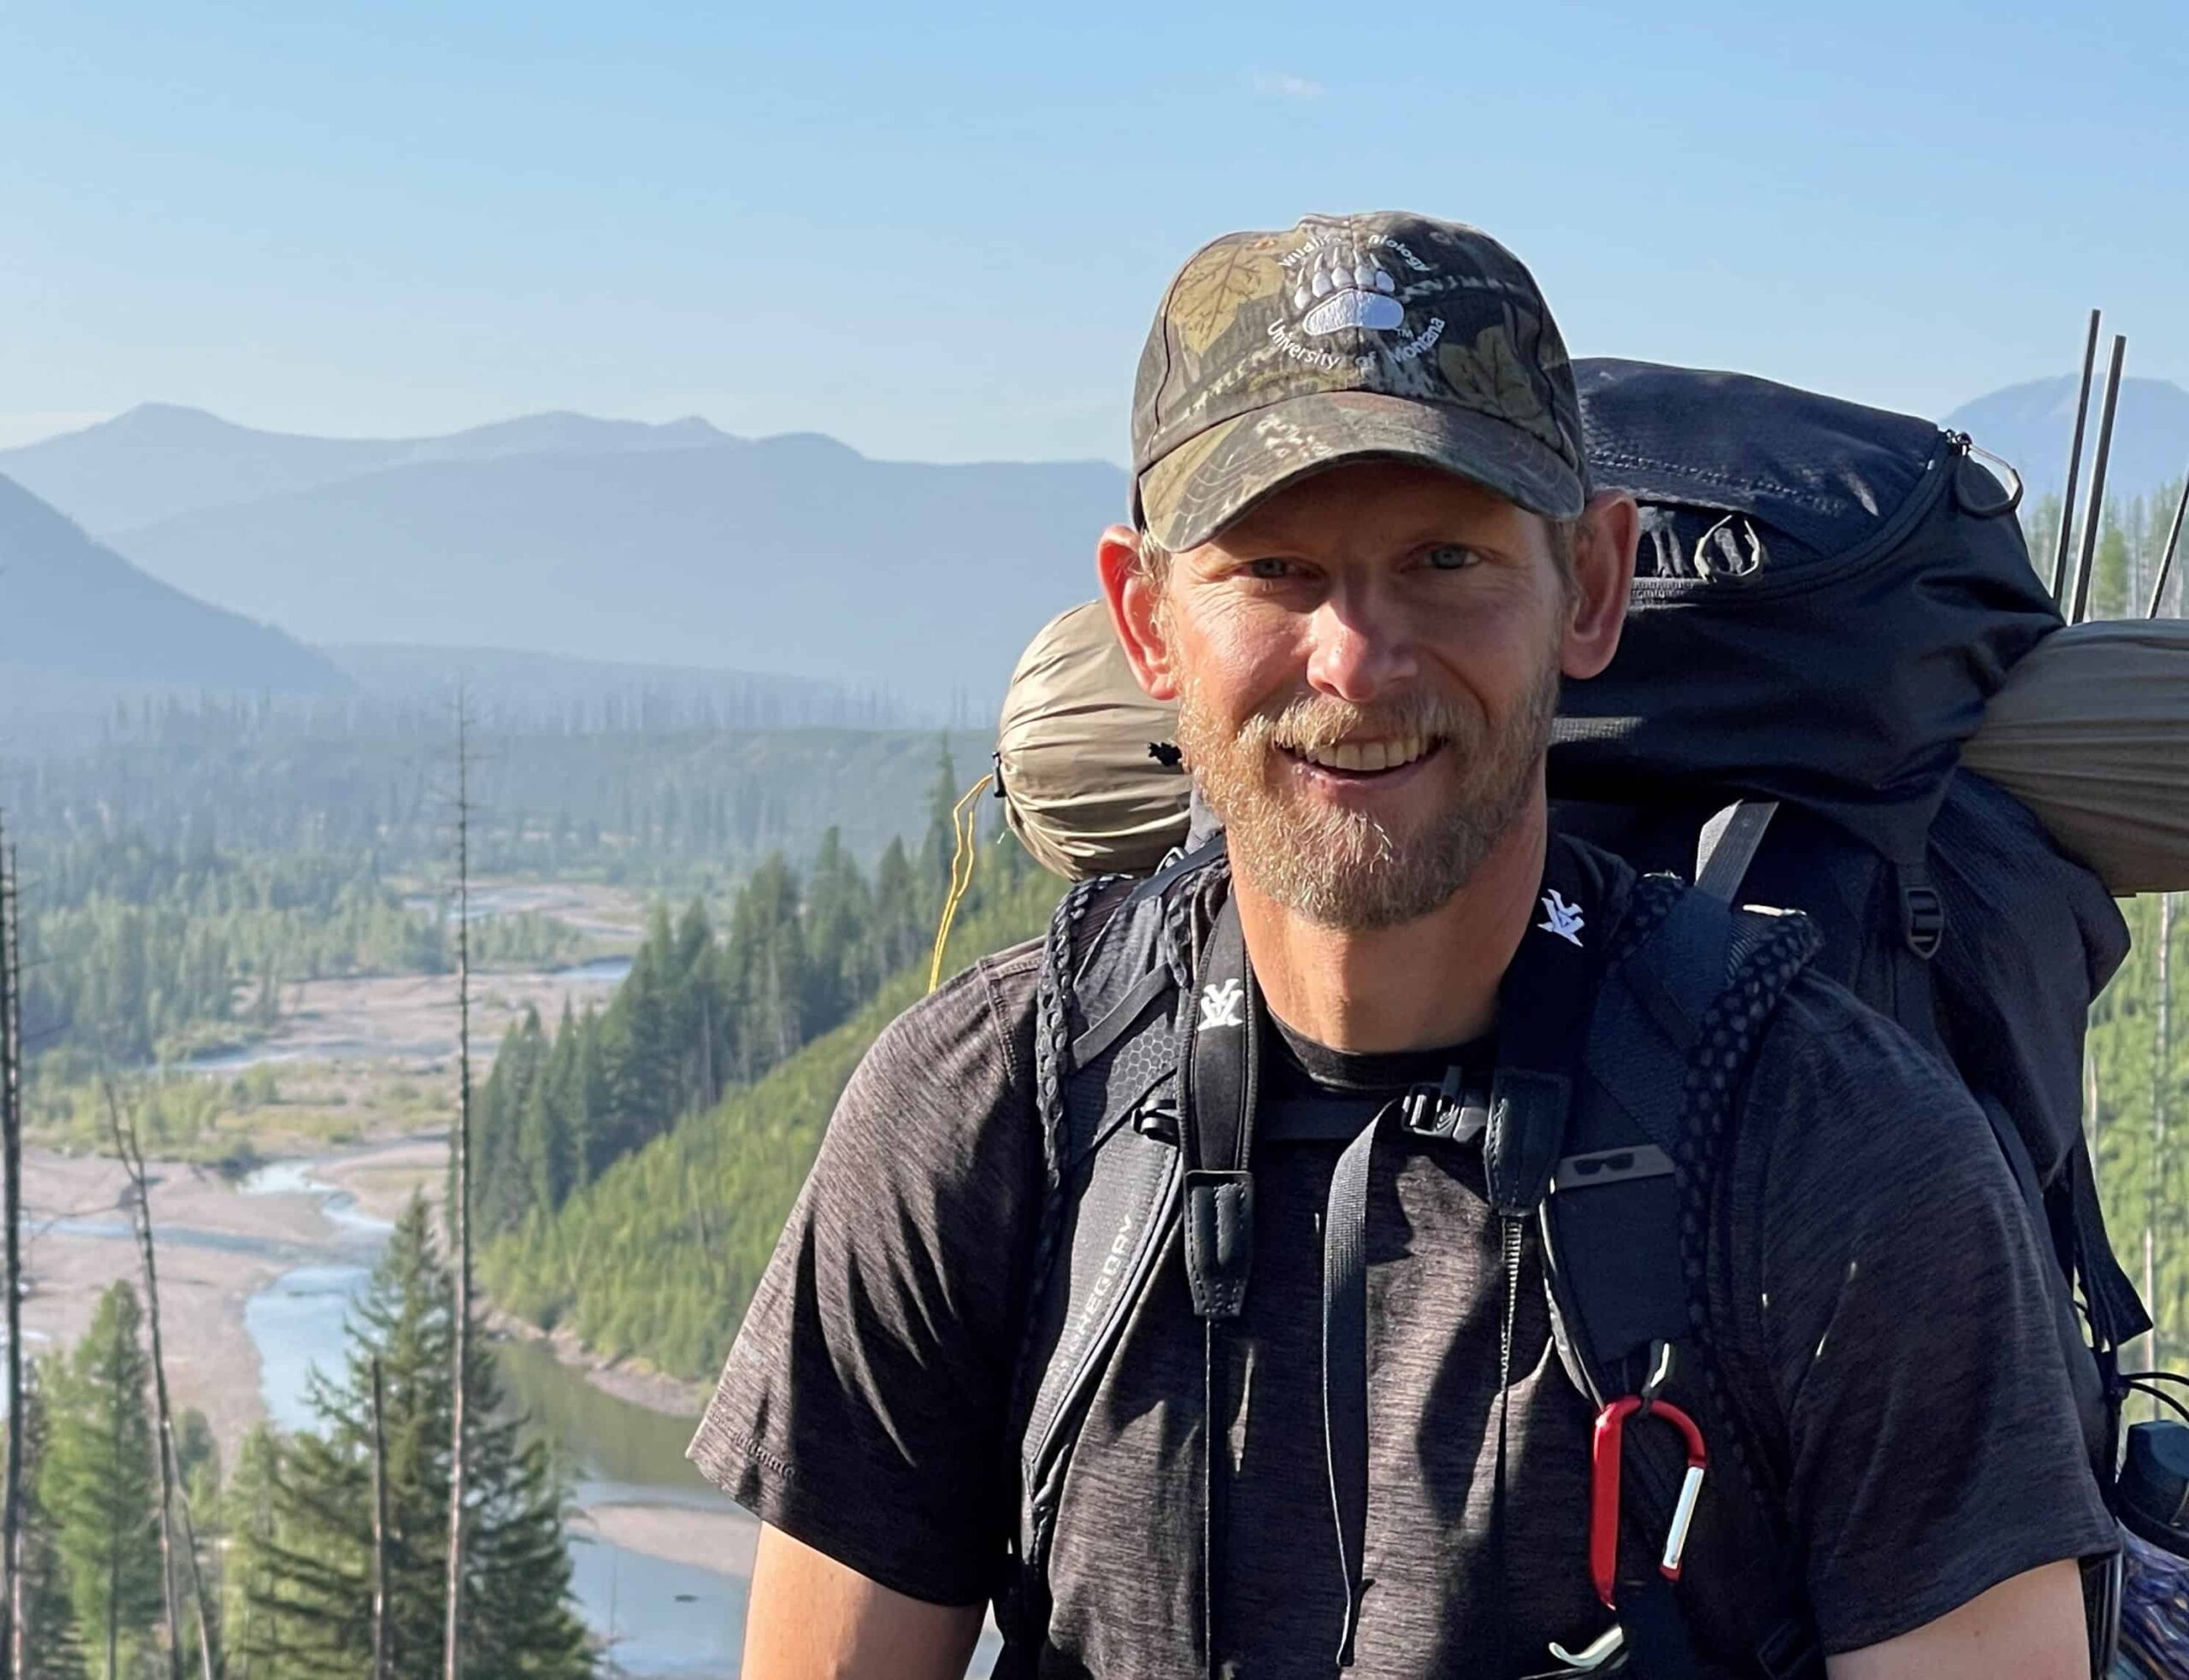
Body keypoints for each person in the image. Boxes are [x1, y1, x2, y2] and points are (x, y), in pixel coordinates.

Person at [689, 212, 2116, 1679]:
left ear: (1592, 586)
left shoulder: (1837, 1153)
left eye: (1446, 557)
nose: (1358, 661)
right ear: (1147, 619)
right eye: (1275, 568)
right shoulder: (990, 1117)